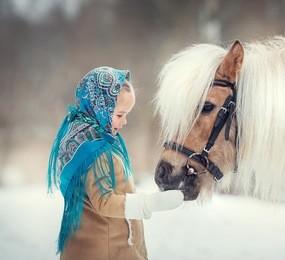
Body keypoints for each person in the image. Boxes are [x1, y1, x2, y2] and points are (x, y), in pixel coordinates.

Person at [47, 66, 183, 260]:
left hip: (97, 244)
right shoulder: (95, 149)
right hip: (105, 249)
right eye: (120, 114)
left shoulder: (86, 137)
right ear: (100, 108)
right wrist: (150, 203)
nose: (124, 121)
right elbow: (104, 201)